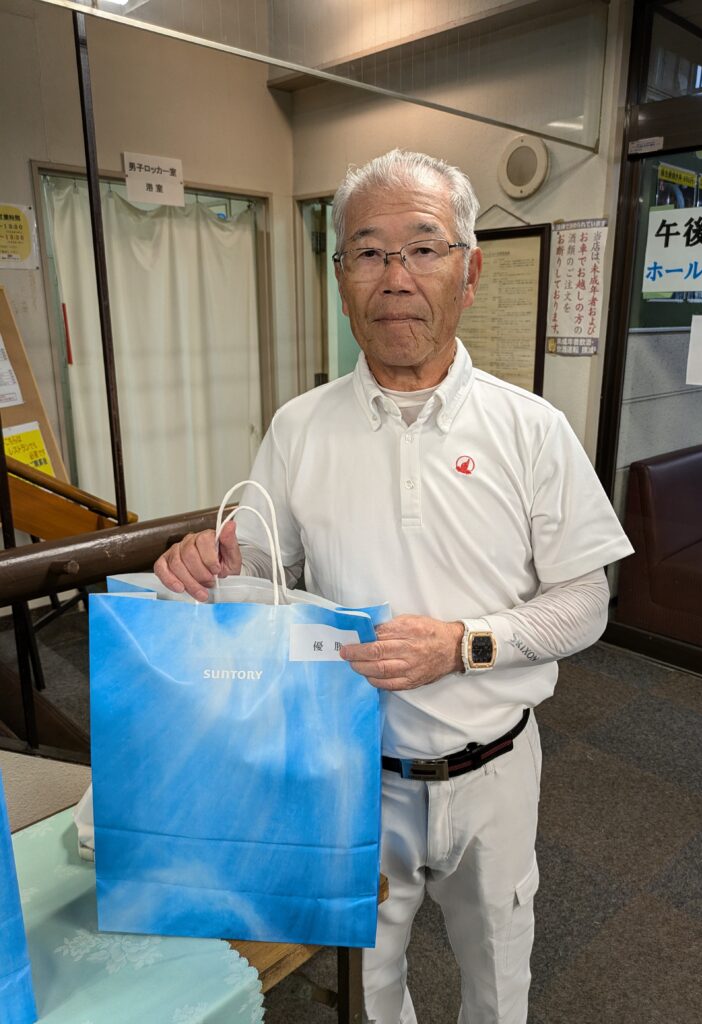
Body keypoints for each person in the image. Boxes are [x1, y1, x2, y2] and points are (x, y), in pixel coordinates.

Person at [155, 149, 633, 1024]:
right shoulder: (299, 426)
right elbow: (263, 571)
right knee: (366, 982)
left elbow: (583, 600)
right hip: (346, 768)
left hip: (493, 766)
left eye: (422, 248)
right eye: (368, 252)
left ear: (469, 272)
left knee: (498, 971)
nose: (395, 277)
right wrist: (210, 564)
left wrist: (463, 645)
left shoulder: (530, 428)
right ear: (341, 282)